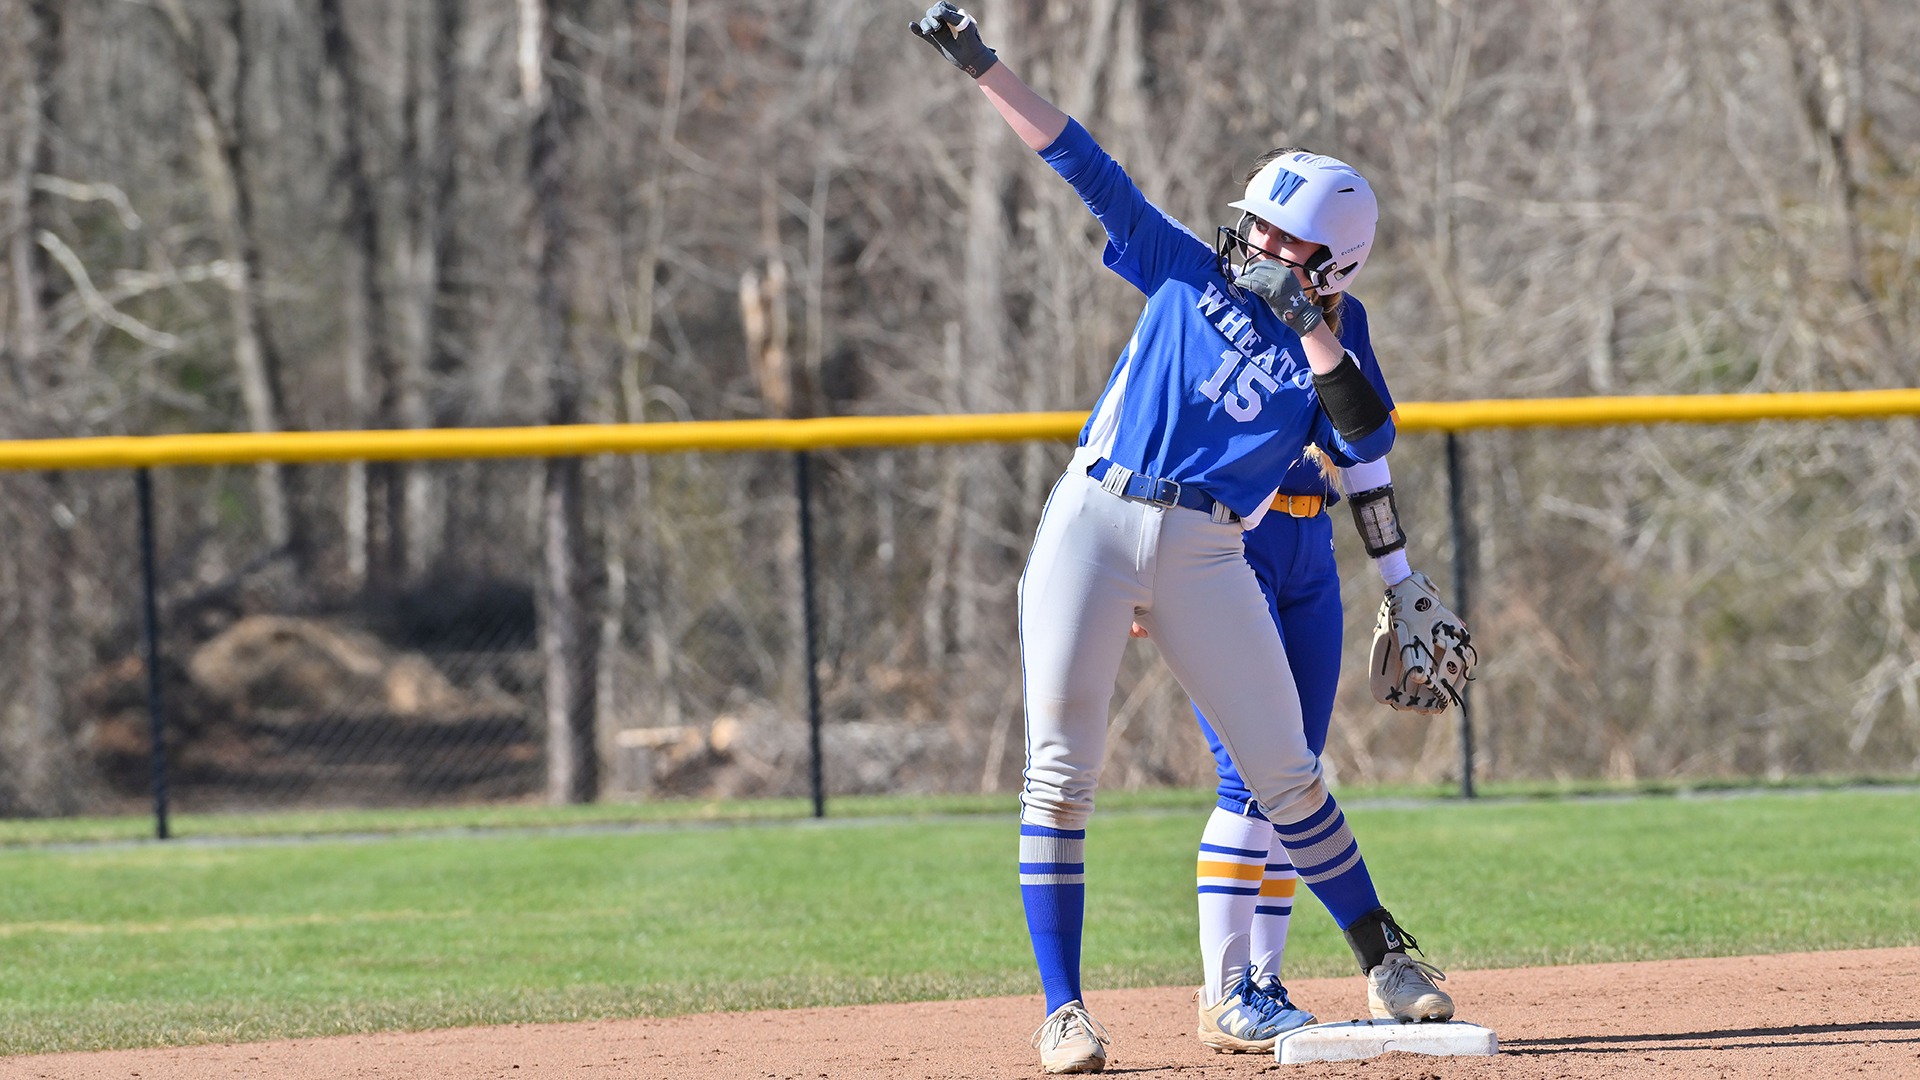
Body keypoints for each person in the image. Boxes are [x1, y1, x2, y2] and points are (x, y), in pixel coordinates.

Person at [910, 5, 1455, 1073]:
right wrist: (985, 68)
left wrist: (1306, 328)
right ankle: (1065, 1011)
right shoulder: (1187, 271)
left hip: (1210, 549)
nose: (1252, 240)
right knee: (1061, 773)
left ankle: (1381, 951)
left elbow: (1367, 431)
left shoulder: (1332, 339)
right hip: (1097, 519)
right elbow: (1081, 162)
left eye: (1279, 236)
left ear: (1330, 264)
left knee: (1288, 775)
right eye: (1254, 223)